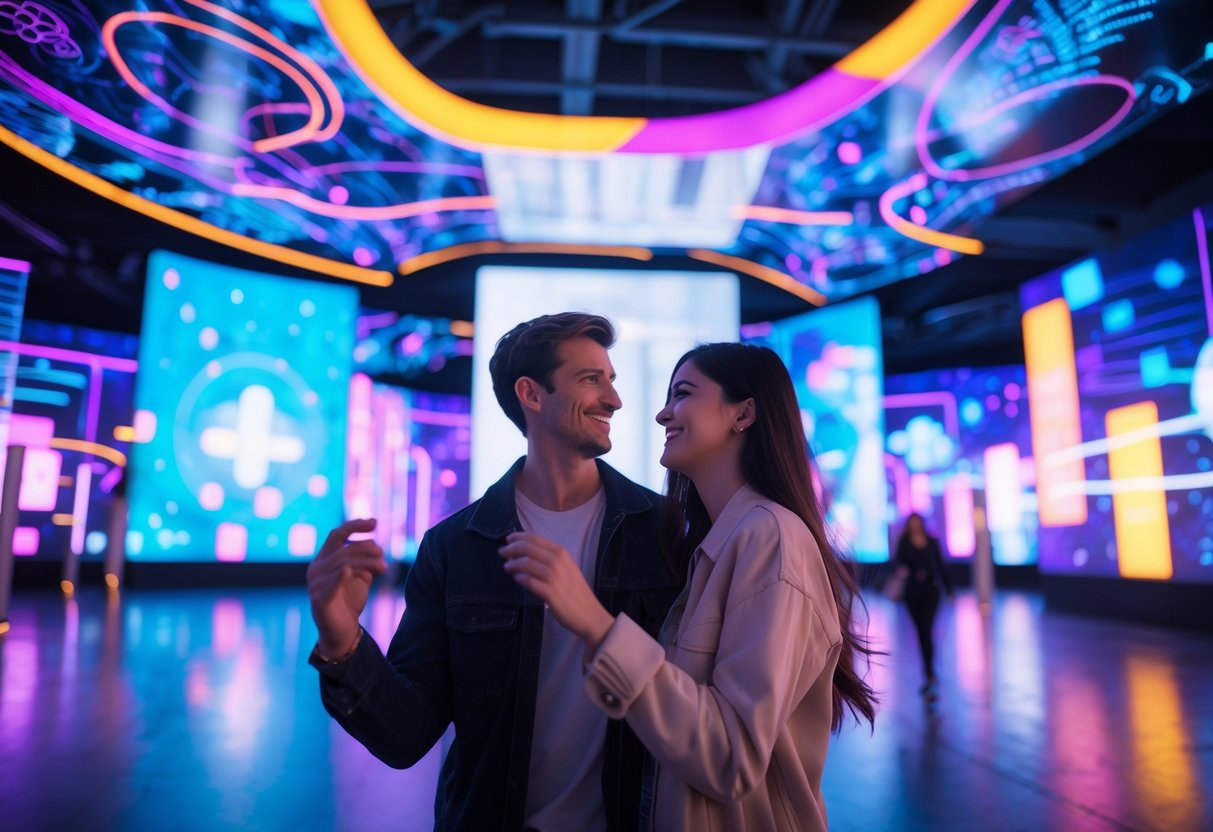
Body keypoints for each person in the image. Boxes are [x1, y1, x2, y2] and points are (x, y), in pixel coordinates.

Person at [306, 312, 680, 831]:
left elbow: (700, 708)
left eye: (611, 381)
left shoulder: (661, 533)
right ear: (531, 394)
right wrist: (341, 641)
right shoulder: (454, 548)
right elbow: (405, 736)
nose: (614, 400)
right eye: (591, 380)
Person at [501, 342, 878, 831]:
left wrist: (594, 622)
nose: (662, 414)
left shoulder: (771, 536)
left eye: (682, 394)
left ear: (743, 414)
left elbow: (730, 756)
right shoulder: (718, 542)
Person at [892, 512, 953, 696]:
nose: (915, 526)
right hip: (912, 593)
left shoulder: (932, 541)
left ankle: (930, 671)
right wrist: (902, 570)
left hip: (931, 591)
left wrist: (949, 589)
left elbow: (940, 565)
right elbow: (895, 564)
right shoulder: (904, 542)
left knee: (927, 628)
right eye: (913, 523)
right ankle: (928, 672)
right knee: (921, 630)